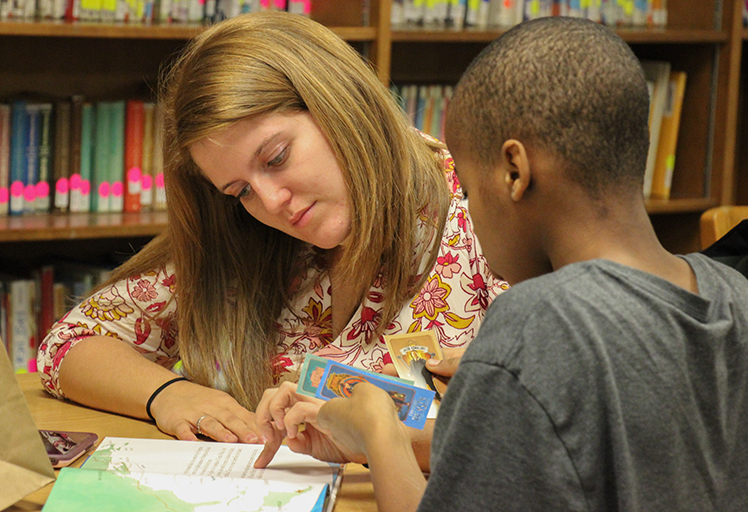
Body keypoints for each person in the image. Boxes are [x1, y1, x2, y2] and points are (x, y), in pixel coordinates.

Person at [254, 16, 748, 512]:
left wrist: (379, 429)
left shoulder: (536, 324)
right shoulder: (734, 293)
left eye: (468, 190)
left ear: (515, 171)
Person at [36, 10, 505, 456]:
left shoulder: (490, 220)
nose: (272, 203)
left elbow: (535, 433)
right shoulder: (250, 238)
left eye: (276, 157)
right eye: (240, 190)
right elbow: (70, 344)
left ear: (338, 102)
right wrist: (167, 393)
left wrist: (370, 436)